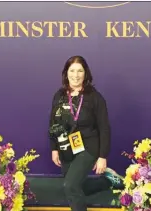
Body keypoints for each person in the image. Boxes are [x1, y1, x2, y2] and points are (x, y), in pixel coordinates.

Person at [48, 55, 124, 211]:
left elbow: (104, 128)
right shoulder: (59, 96)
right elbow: (53, 124)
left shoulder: (95, 98)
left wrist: (102, 157)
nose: (75, 75)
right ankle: (108, 182)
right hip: (66, 148)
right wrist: (54, 148)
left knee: (70, 186)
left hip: (88, 147)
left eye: (80, 71)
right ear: (66, 73)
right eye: (72, 70)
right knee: (75, 186)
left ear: (85, 74)